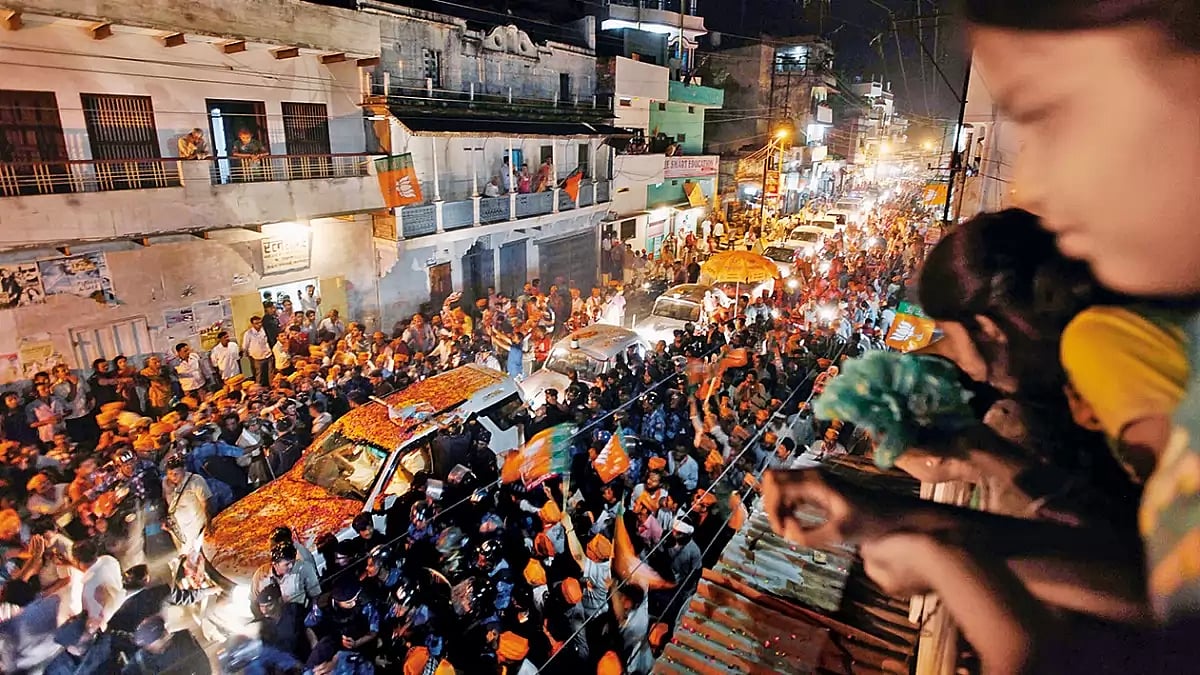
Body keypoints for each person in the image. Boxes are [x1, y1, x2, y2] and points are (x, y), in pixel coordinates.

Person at [124, 614, 210, 675]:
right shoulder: (138, 666)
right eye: (162, 634)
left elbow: (204, 665)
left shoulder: (182, 638)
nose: (168, 634)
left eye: (165, 629)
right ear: (150, 645)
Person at [242, 315, 273, 387]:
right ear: (252, 324)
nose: (259, 324)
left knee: (270, 374)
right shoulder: (248, 333)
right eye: (256, 323)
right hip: (257, 357)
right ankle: (258, 389)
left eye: (260, 322)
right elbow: (245, 347)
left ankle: (272, 387)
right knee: (259, 375)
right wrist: (246, 358)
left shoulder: (264, 330)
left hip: (268, 355)